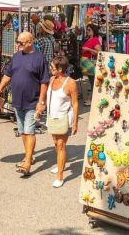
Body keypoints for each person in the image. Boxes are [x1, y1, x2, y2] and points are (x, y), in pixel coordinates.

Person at [0, 31, 50, 178]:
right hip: (17, 101)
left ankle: (28, 163)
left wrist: (41, 102)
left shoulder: (39, 58)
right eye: (17, 42)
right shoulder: (17, 56)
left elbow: (44, 82)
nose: (17, 45)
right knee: (23, 131)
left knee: (30, 131)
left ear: (30, 42)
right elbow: (8, 75)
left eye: (20, 43)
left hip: (32, 102)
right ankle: (28, 155)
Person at [47, 55, 78, 188]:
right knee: (55, 143)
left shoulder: (71, 83)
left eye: (52, 67)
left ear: (60, 69)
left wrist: (75, 122)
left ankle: (60, 175)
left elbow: (75, 103)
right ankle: (61, 164)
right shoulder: (52, 79)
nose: (50, 69)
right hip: (52, 117)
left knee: (61, 145)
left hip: (64, 118)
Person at [79, 24, 101, 106]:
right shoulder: (89, 39)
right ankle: (92, 99)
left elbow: (99, 52)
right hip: (87, 63)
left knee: (93, 82)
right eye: (87, 29)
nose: (87, 31)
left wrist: (88, 49)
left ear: (93, 31)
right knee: (92, 82)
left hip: (91, 63)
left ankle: (92, 100)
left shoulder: (95, 40)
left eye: (89, 30)